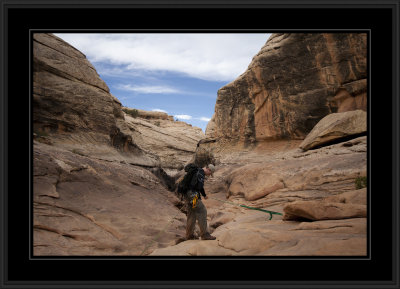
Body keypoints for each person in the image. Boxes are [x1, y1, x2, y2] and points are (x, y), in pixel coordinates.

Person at [185, 164, 216, 240]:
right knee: (202, 211)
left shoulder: (197, 171)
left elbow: (200, 187)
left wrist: (204, 195)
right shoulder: (200, 173)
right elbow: (198, 186)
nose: (209, 175)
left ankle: (189, 235)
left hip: (187, 194)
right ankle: (204, 234)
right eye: (210, 173)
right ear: (208, 169)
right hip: (193, 196)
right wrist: (196, 194)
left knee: (192, 214)